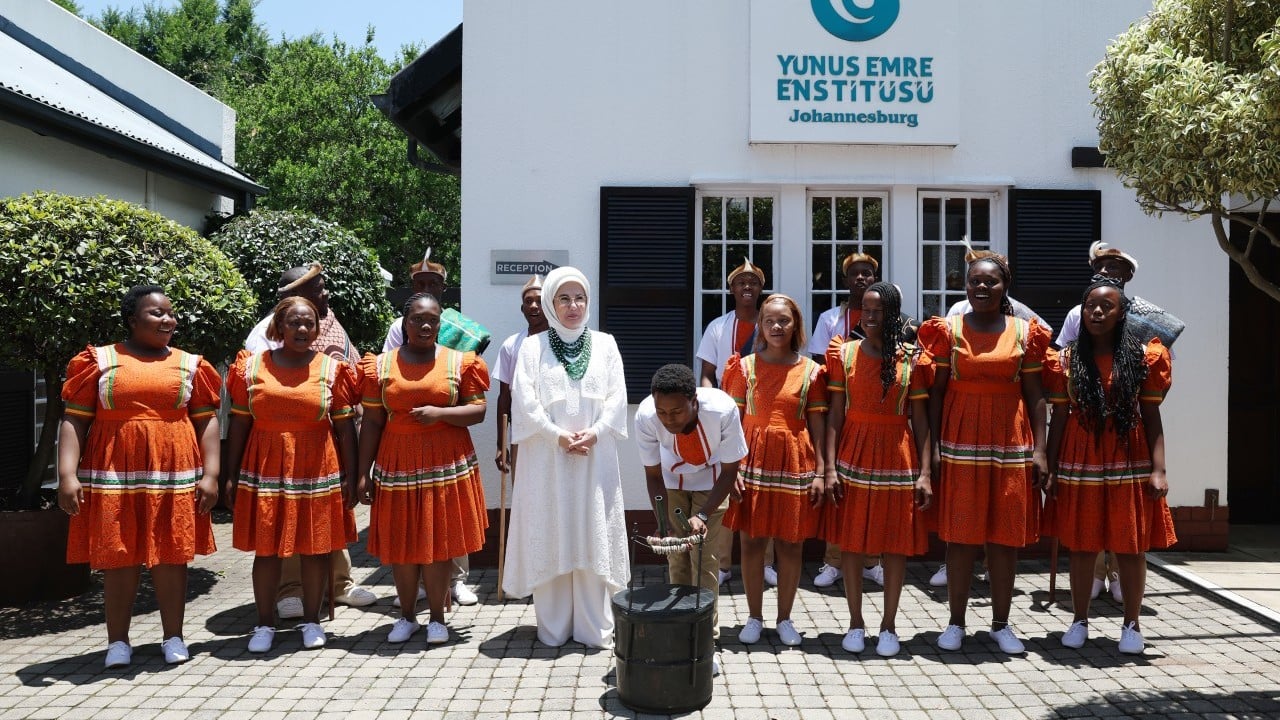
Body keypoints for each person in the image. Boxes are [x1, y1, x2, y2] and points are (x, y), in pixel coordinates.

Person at [57, 285, 221, 668]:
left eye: (170, 313)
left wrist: (211, 474)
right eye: (156, 313)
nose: (168, 320)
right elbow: (74, 420)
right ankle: (118, 642)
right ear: (132, 320)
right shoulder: (98, 361)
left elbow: (207, 422)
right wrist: (67, 474)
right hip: (114, 471)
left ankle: (174, 637)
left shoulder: (191, 364)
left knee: (171, 556)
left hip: (174, 472)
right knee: (118, 557)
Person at [918, 249, 1050, 654]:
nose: (982, 287)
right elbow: (935, 395)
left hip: (1011, 444)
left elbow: (1036, 396)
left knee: (1004, 538)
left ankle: (1001, 623)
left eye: (991, 281)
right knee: (960, 536)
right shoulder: (949, 330)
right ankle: (955, 622)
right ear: (966, 285)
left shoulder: (1025, 333)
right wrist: (935, 448)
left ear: (1004, 286)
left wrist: (1041, 450)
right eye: (975, 280)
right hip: (959, 444)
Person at [1044, 277, 1176, 655]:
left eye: (1107, 307)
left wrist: (1159, 469)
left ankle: (1132, 624)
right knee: (1082, 545)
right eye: (1090, 306)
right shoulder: (1067, 359)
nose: (1097, 312)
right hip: (1079, 457)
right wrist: (1051, 469)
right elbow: (1060, 418)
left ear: (1122, 315)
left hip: (1128, 457)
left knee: (1129, 546)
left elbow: (1151, 416)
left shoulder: (1144, 358)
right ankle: (1079, 619)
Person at [224, 296, 360, 653]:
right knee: (267, 551)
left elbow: (345, 428)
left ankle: (312, 622)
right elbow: (238, 423)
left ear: (317, 329)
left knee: (315, 548)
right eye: (295, 322)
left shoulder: (332, 369)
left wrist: (352, 474)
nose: (302, 329)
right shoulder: (251, 368)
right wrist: (229, 474)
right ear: (279, 327)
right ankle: (264, 624)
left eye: (309, 323)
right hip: (264, 466)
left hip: (318, 466)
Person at [502, 267, 629, 648]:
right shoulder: (531, 347)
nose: (573, 306)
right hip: (546, 458)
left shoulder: (606, 344)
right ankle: (553, 627)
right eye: (564, 298)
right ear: (549, 303)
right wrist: (557, 436)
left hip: (596, 455)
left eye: (580, 298)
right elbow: (524, 400)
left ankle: (594, 628)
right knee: (551, 528)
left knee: (593, 533)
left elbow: (617, 396)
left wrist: (596, 431)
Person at [242, 263, 377, 616]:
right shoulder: (264, 336)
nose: (326, 293)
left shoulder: (328, 320)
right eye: (317, 288)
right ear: (293, 297)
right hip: (283, 447)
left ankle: (338, 583)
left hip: (326, 441)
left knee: (324, 521)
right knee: (286, 522)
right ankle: (290, 589)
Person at [358, 293, 490, 645]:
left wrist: (440, 413)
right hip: (396, 460)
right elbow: (371, 422)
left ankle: (436, 618)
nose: (426, 325)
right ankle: (405, 616)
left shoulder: (459, 362)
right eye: (417, 318)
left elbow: (478, 411)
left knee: (438, 542)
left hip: (446, 462)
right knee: (403, 543)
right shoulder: (381, 365)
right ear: (404, 323)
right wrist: (362, 471)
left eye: (433, 319)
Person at [823, 282, 933, 657]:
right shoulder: (845, 353)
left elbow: (920, 420)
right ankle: (855, 622)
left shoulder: (913, 359)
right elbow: (835, 413)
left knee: (894, 543)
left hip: (898, 456)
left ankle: (889, 626)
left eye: (878, 311)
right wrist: (830, 468)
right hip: (853, 453)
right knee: (851, 541)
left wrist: (925, 472)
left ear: (893, 314)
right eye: (865, 311)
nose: (870, 318)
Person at [383, 249, 490, 607]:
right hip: (407, 440)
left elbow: (473, 395)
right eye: (420, 283)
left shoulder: (461, 326)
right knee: (416, 519)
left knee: (448, 518)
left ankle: (455, 581)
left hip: (445, 439)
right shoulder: (396, 329)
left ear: (444, 288)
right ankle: (414, 590)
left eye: (434, 283)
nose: (428, 286)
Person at [722, 294, 828, 647]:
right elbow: (732, 423)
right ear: (761, 326)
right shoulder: (744, 367)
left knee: (791, 544)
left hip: (796, 461)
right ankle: (753, 617)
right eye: (770, 321)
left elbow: (817, 423)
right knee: (751, 543)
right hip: (752, 460)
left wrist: (821, 472)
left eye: (784, 320)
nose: (777, 327)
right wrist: (730, 469)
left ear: (795, 324)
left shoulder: (812, 371)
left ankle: (784, 618)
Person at [807, 252, 917, 590]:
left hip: (880, 412)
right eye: (854, 274)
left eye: (867, 273)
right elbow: (817, 362)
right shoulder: (829, 318)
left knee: (875, 491)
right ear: (845, 280)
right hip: (842, 406)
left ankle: (872, 561)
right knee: (846, 492)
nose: (860, 278)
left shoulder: (902, 326)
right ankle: (833, 560)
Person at [635, 364, 748, 644]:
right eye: (662, 412)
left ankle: (706, 637)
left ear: (694, 402)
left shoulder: (722, 409)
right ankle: (680, 629)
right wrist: (663, 524)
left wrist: (702, 514)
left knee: (704, 559)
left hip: (712, 483)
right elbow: (653, 476)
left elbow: (730, 470)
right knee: (677, 556)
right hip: (670, 482)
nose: (668, 420)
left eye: (676, 412)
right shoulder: (646, 416)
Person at [694, 258, 773, 587]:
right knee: (726, 485)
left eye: (752, 282)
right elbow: (707, 375)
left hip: (760, 415)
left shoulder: (771, 323)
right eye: (741, 282)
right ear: (731, 289)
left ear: (760, 289)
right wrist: (714, 408)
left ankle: (766, 561)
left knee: (761, 489)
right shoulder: (717, 327)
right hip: (727, 416)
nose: (747, 287)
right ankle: (723, 564)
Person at [493, 275, 549, 475]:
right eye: (528, 302)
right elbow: (504, 398)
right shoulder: (511, 345)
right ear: (522, 308)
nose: (534, 306)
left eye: (540, 301)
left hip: (555, 435)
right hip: (521, 434)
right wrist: (501, 444)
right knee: (523, 498)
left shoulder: (562, 344)